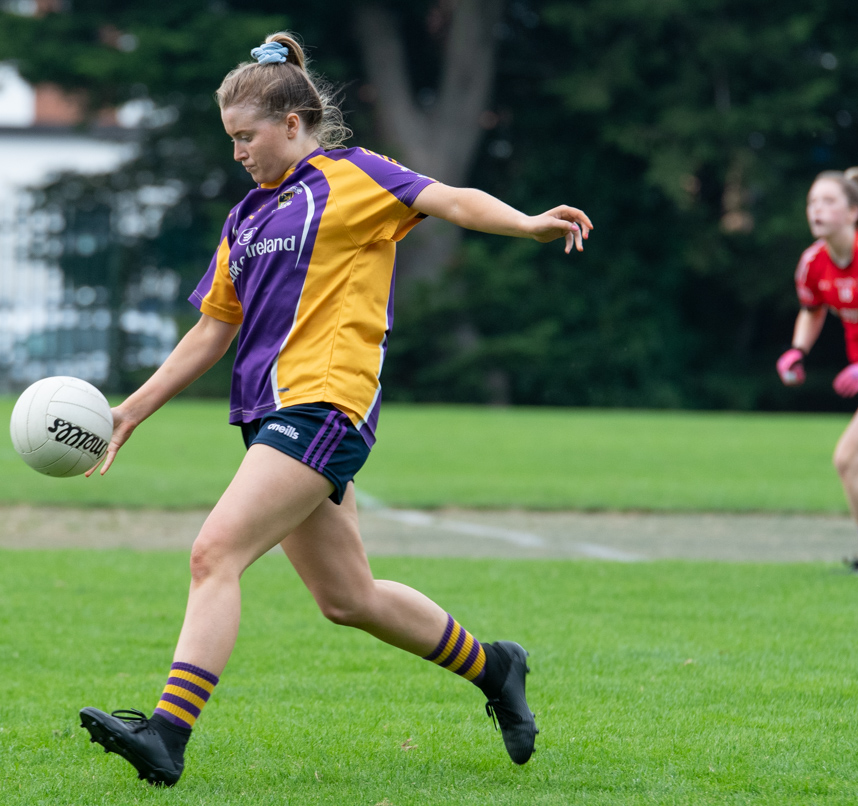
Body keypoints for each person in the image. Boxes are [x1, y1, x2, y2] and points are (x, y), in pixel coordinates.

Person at [77, 33, 593, 786]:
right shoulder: (245, 221)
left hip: (325, 406)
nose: (238, 153)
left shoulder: (354, 176)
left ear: (292, 123)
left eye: (245, 137)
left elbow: (449, 199)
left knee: (213, 554)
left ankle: (166, 734)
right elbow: (211, 330)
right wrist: (131, 412)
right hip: (268, 415)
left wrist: (524, 223)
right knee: (347, 599)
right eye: (230, 140)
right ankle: (495, 669)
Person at [778, 163, 858, 574]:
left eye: (828, 201)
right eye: (812, 201)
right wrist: (798, 350)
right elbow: (812, 310)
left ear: (853, 212)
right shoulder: (813, 263)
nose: (817, 209)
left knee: (848, 458)